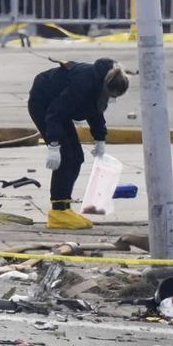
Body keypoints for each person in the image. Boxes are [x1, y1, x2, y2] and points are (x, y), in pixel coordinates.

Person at [28, 58, 130, 229]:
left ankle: (64, 207)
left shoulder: (100, 81)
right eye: (112, 96)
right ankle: (58, 212)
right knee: (66, 157)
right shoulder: (83, 83)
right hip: (44, 103)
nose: (112, 100)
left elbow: (94, 111)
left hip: (59, 107)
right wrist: (53, 145)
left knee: (76, 158)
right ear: (106, 87)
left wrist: (100, 139)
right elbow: (55, 112)